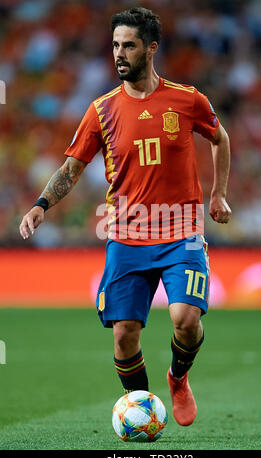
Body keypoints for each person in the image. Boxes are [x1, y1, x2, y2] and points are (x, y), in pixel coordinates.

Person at [19, 7, 231, 427]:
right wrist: (41, 205)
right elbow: (71, 170)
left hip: (181, 228)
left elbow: (219, 137)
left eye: (129, 45)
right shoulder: (101, 110)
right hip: (127, 233)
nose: (119, 53)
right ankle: (141, 406)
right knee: (123, 335)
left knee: (186, 320)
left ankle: (178, 377)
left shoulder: (187, 99)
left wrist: (218, 194)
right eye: (115, 44)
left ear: (151, 49)